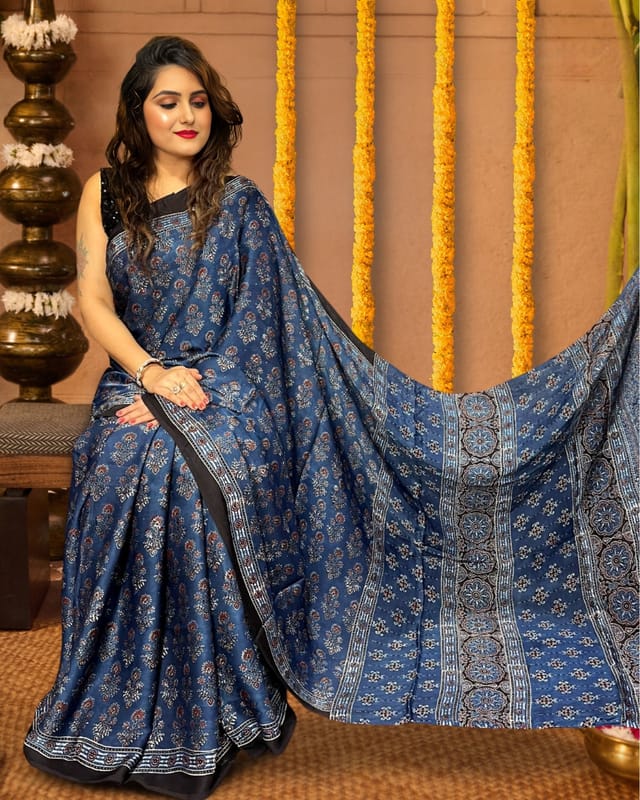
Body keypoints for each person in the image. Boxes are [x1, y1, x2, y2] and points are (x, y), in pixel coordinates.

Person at [24, 35, 638, 800]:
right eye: (168, 102)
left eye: (198, 101)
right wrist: (150, 376)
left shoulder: (238, 203)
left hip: (227, 386)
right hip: (137, 376)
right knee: (129, 461)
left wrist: (188, 392)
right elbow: (92, 302)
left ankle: (220, 707)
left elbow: (262, 329)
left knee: (191, 469)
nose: (186, 116)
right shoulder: (105, 192)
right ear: (138, 112)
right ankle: (123, 706)